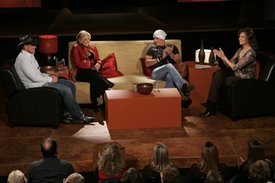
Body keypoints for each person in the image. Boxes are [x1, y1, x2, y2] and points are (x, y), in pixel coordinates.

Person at [14, 34, 95, 124]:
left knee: (70, 84)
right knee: (65, 89)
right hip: (34, 87)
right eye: (32, 45)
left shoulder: (29, 56)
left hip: (39, 82)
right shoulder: (23, 60)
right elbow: (34, 78)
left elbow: (36, 73)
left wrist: (48, 75)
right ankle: (79, 117)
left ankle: (66, 114)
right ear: (25, 46)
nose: (35, 47)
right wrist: (51, 79)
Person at [200, 27, 258, 117]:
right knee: (217, 74)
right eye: (239, 36)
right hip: (237, 73)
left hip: (245, 77)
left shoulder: (251, 53)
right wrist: (221, 57)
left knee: (224, 79)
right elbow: (229, 64)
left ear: (248, 39)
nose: (239, 38)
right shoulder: (240, 50)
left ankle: (212, 105)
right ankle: (211, 106)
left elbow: (235, 67)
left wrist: (224, 57)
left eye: (242, 37)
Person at [145, 29, 193, 107]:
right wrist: (160, 58)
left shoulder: (172, 47)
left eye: (156, 38)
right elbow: (147, 63)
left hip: (168, 73)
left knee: (170, 77)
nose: (154, 40)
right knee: (169, 65)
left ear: (161, 38)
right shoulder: (152, 48)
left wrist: (171, 55)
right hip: (156, 73)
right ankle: (183, 87)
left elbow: (179, 61)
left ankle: (167, 103)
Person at [71, 30, 114, 108]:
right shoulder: (76, 47)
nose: (87, 41)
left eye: (88, 39)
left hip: (92, 72)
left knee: (95, 78)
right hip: (80, 72)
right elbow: (77, 63)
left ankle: (96, 101)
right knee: (93, 72)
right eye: (85, 39)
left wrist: (98, 64)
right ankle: (108, 86)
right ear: (80, 40)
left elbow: (98, 59)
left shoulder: (93, 47)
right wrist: (90, 65)